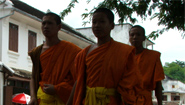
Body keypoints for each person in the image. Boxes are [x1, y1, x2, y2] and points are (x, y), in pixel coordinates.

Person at [68, 8, 142, 105]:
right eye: (94, 22)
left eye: (102, 22)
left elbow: (130, 85)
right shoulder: (84, 53)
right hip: (88, 101)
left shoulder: (124, 52)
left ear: (112, 25)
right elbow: (79, 81)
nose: (97, 25)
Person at [28, 12, 81, 105]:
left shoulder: (70, 50)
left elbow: (78, 79)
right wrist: (33, 97)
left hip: (63, 99)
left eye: (50, 23)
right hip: (42, 99)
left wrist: (57, 89)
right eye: (43, 23)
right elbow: (33, 77)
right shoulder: (37, 52)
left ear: (59, 27)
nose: (46, 26)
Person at [129, 25, 165, 105]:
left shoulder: (153, 56)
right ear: (129, 38)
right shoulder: (123, 56)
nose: (135, 37)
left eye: (138, 35)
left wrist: (160, 103)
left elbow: (158, 83)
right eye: (132, 35)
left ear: (144, 38)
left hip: (145, 100)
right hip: (126, 99)